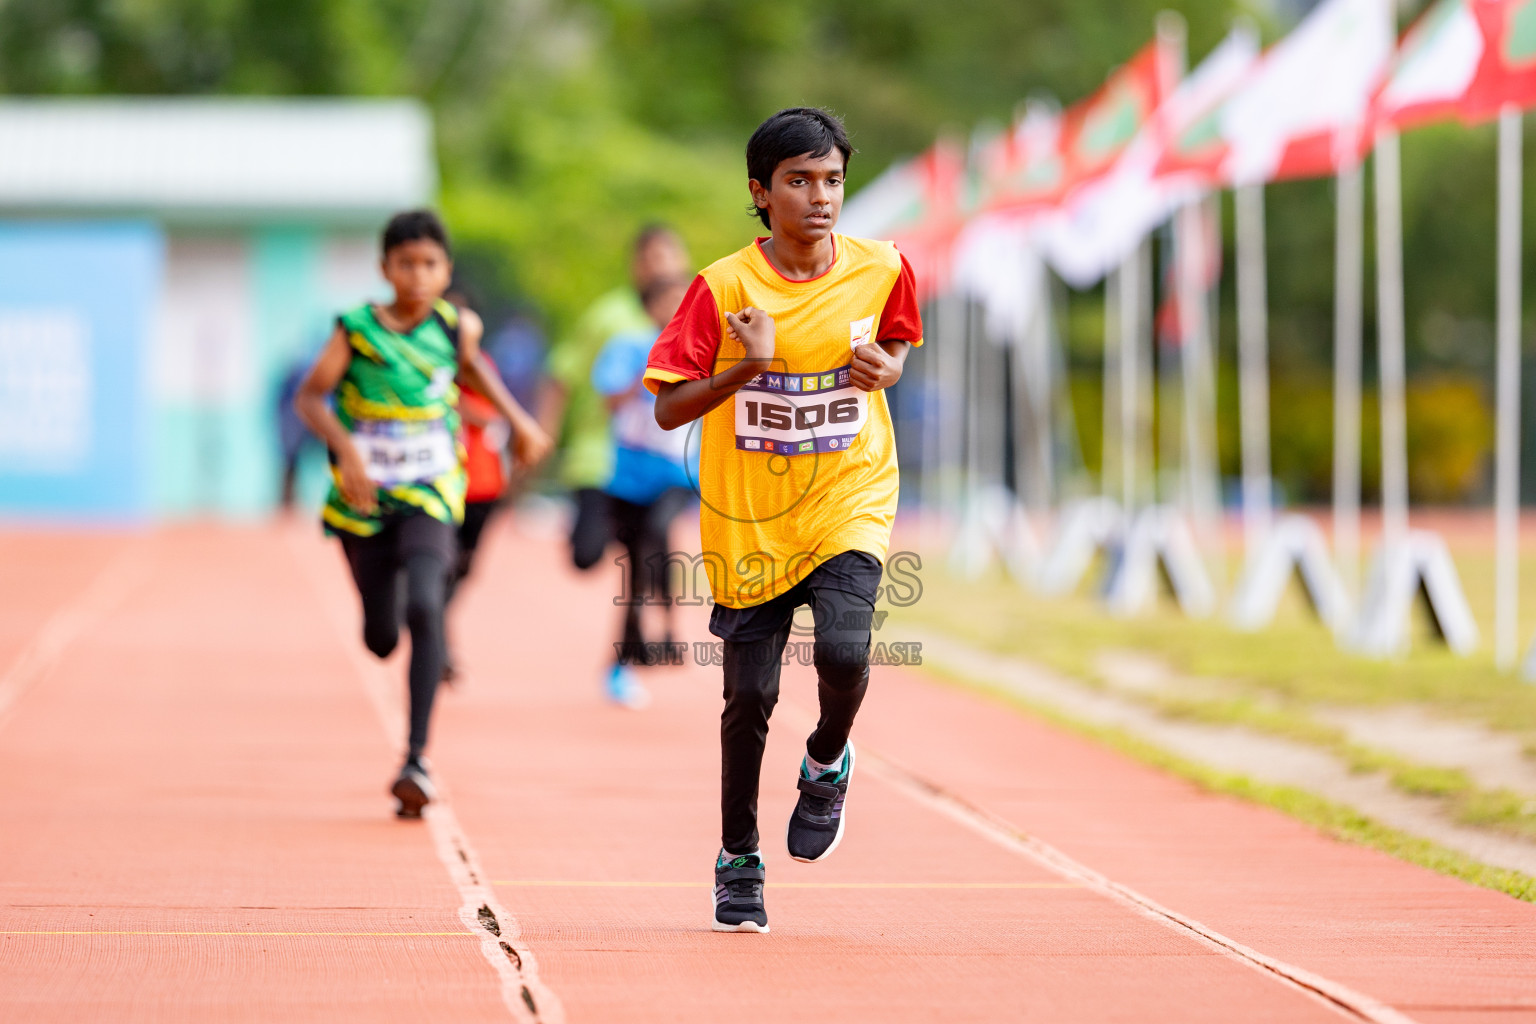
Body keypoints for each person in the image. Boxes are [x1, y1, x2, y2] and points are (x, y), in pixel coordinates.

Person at [645, 108, 923, 933]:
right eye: (798, 182)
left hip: (850, 496)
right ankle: (738, 856)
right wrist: (747, 367)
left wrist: (889, 366)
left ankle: (829, 757)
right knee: (750, 697)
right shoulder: (723, 287)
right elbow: (666, 410)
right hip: (751, 519)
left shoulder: (883, 269)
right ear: (761, 194)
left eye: (832, 179)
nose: (820, 197)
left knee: (844, 648)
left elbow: (899, 342)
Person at [294, 210, 551, 819]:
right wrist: (347, 448)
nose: (417, 275)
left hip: (433, 486)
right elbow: (310, 396)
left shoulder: (454, 326)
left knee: (426, 602)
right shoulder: (356, 329)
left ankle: (416, 758)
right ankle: (378, 621)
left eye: (430, 264)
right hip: (365, 496)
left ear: (446, 270)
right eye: (405, 263)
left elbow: (473, 369)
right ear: (385, 269)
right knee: (382, 637)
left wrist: (520, 422)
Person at [540, 226, 689, 574]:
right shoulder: (609, 315)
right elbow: (561, 373)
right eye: (649, 258)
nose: (658, 267)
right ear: (635, 265)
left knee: (650, 539)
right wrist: (545, 432)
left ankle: (644, 624)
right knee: (587, 553)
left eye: (666, 256)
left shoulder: (696, 313)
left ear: (683, 260)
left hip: (663, 455)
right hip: (600, 453)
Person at [590, 275, 696, 710]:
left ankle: (669, 620)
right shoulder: (629, 346)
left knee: (659, 529)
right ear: (649, 305)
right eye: (666, 301)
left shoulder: (701, 346)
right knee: (635, 569)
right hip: (629, 477)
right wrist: (646, 374)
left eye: (682, 302)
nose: (675, 310)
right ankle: (624, 661)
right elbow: (610, 401)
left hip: (677, 472)